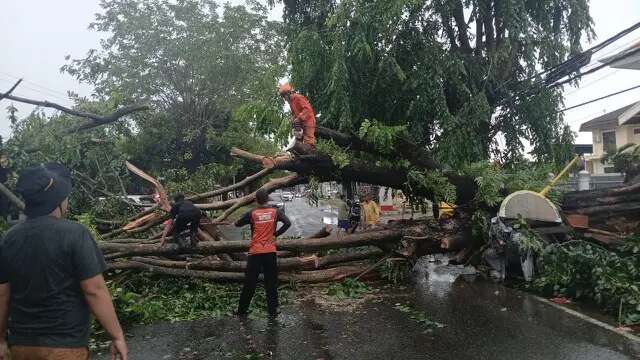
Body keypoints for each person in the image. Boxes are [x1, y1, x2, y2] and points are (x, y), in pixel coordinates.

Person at [0, 163, 127, 360]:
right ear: (57, 201)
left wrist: (0, 341)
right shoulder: (75, 234)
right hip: (65, 347)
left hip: (22, 347)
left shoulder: (9, 238)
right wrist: (117, 335)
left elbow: (2, 295)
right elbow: (94, 290)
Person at [234, 189, 291, 317]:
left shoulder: (252, 213)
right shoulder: (275, 212)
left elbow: (238, 223)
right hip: (270, 251)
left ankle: (241, 311)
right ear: (268, 199)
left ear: (256, 200)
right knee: (271, 282)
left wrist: (235, 222)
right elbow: (288, 223)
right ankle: (273, 310)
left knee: (250, 282)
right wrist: (275, 234)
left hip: (256, 252)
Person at [277, 83, 316, 154]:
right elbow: (294, 113)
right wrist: (292, 119)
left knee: (309, 140)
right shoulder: (291, 103)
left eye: (284, 96)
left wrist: (299, 117)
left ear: (288, 94)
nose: (284, 99)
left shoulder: (298, 97)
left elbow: (307, 109)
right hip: (302, 122)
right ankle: (298, 148)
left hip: (308, 120)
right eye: (283, 97)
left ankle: (311, 153)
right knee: (298, 134)